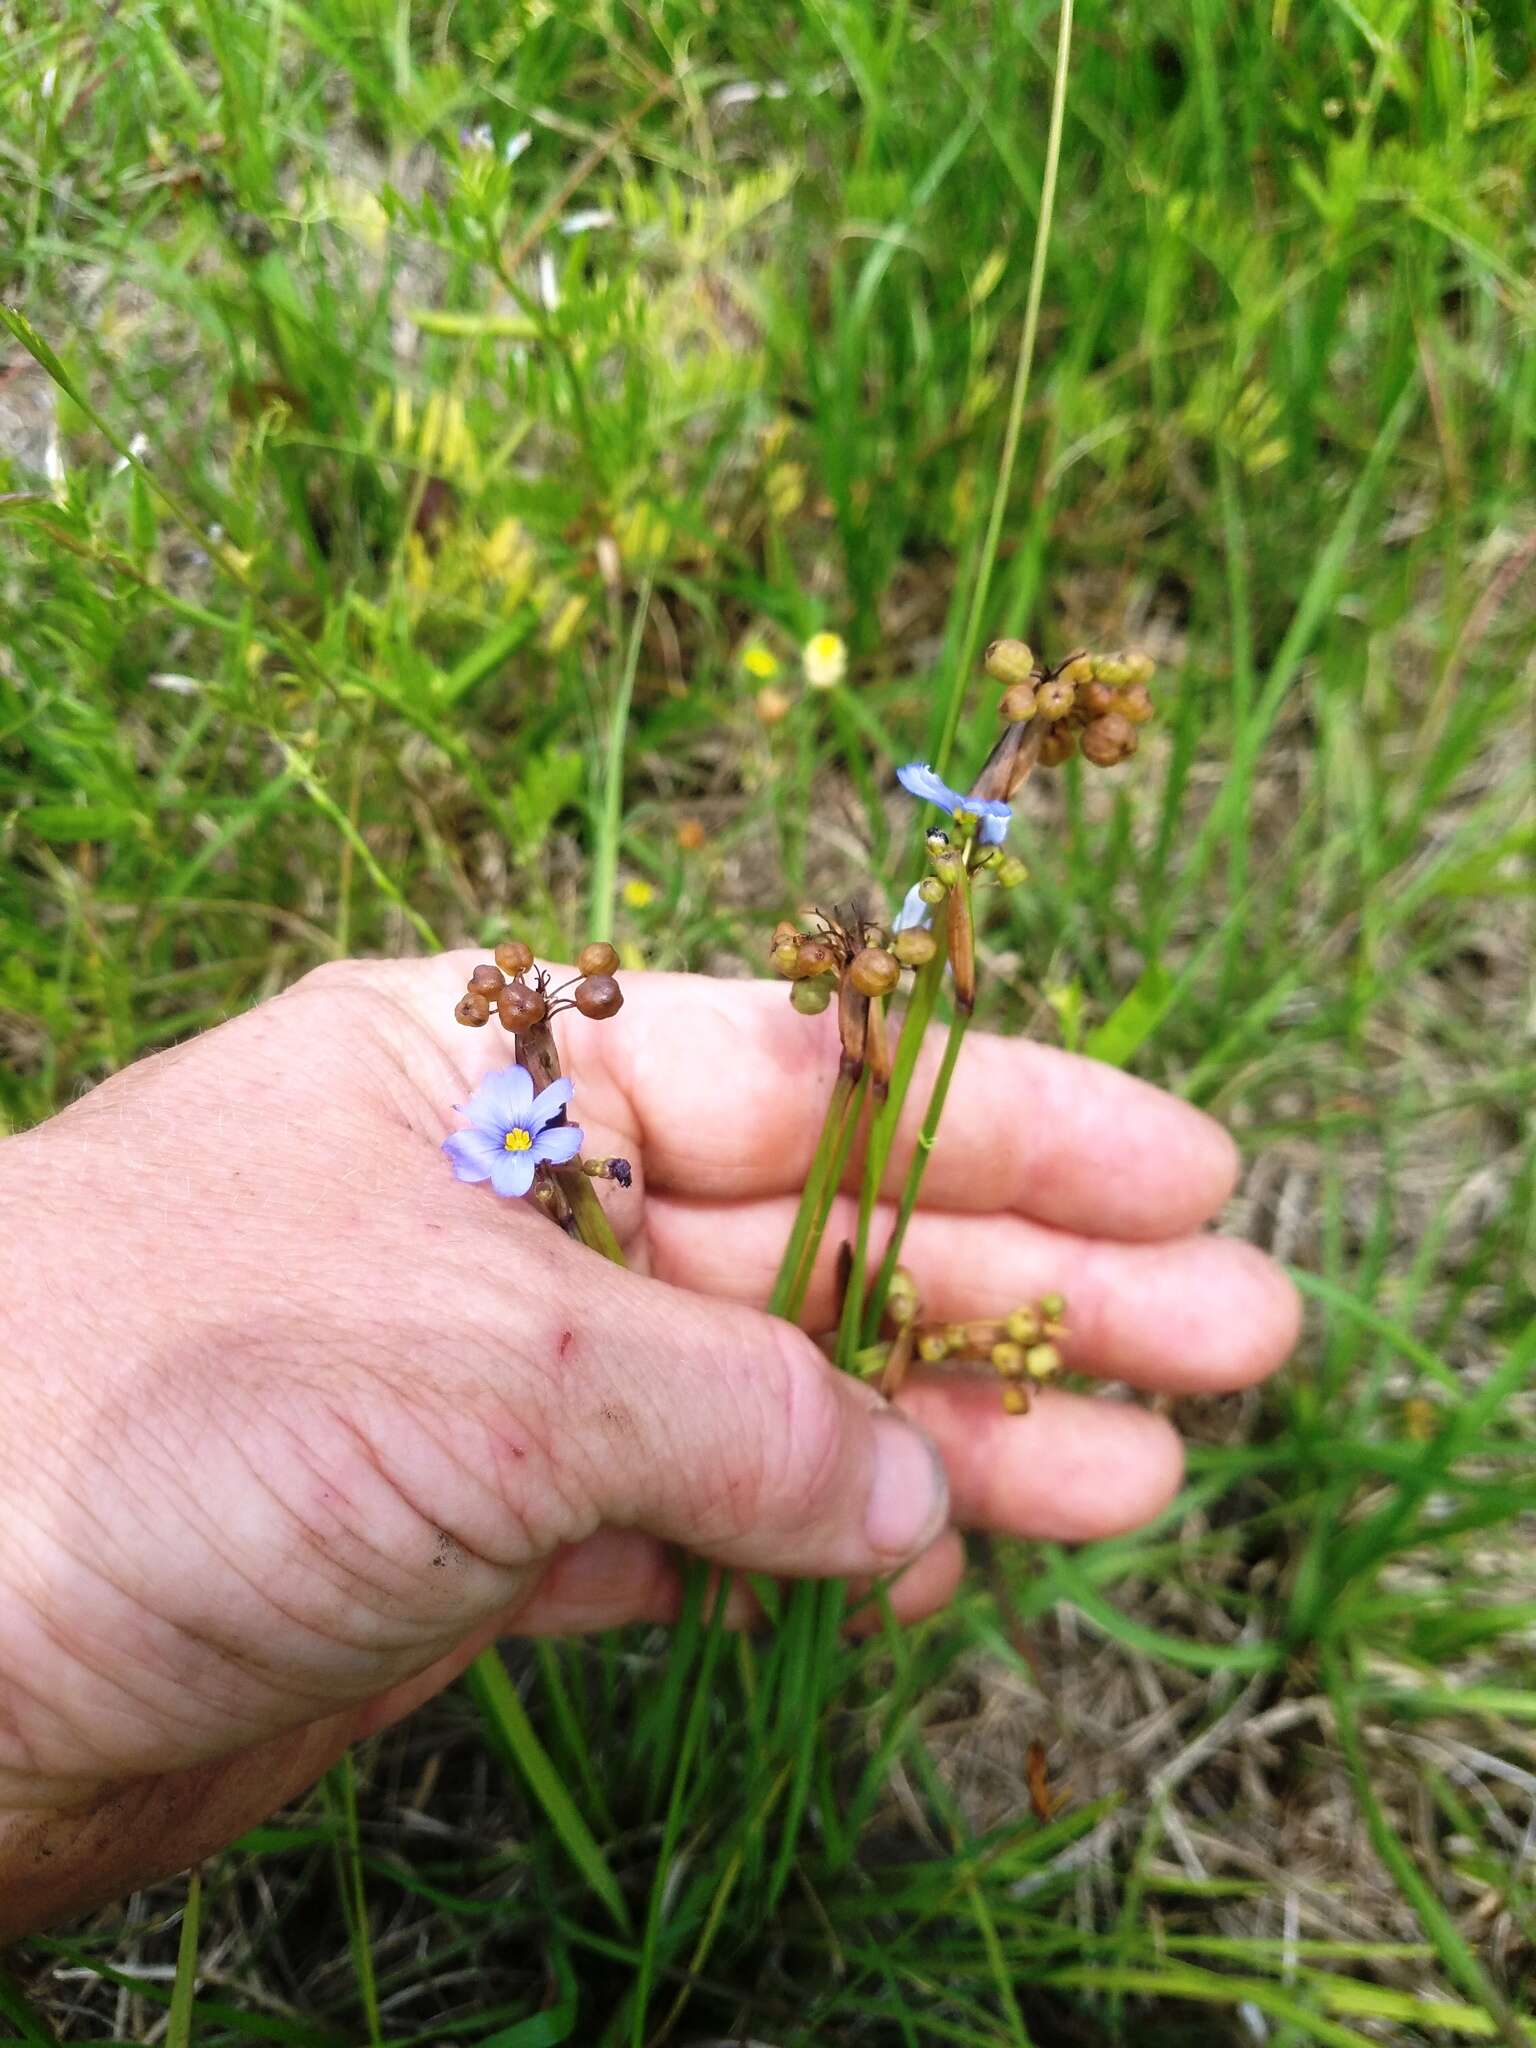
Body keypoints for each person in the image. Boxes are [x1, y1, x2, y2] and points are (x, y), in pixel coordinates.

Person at [0, 954, 1297, 1936]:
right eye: (520, 1135)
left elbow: (530, 1152)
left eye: (532, 1134)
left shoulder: (544, 1138)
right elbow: (515, 1151)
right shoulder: (523, 1139)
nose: (523, 1139)